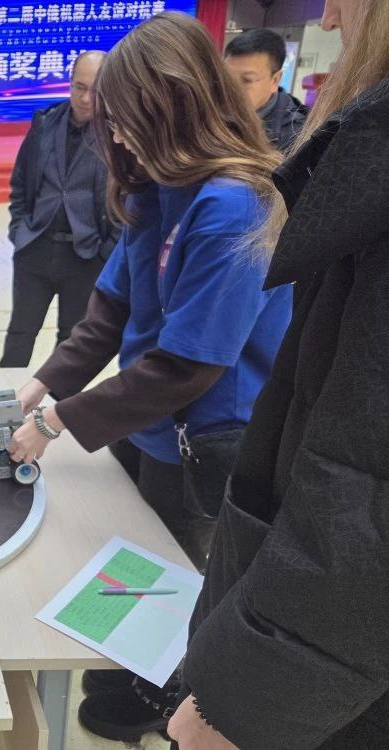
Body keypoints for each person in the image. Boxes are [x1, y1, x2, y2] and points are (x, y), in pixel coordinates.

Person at [5, 12, 292, 742]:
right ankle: (118, 686)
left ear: (175, 107)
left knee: (176, 586)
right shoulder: (156, 186)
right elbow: (111, 307)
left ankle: (155, 703)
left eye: (129, 122)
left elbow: (188, 366)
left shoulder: (235, 204)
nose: (120, 140)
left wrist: (54, 422)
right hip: (144, 422)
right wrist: (42, 385)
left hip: (207, 441)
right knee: (125, 566)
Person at [169, 1, 389, 748]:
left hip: (325, 682)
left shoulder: (230, 200)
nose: (326, 15)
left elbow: (363, 495)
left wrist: (240, 703)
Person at [0, 51, 120, 367]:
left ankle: (57, 397)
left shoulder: (117, 135)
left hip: (86, 255)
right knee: (20, 334)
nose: (86, 98)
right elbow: (21, 180)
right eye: (79, 87)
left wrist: (106, 252)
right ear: (69, 83)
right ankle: (4, 393)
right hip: (35, 247)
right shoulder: (45, 123)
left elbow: (126, 196)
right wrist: (19, 229)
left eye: (95, 90)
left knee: (72, 338)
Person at [225, 28, 309, 153]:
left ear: (275, 80)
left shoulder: (296, 136)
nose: (232, 89)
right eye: (227, 78)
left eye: (247, 80)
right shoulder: (211, 111)